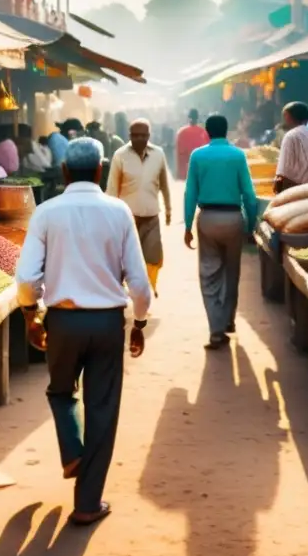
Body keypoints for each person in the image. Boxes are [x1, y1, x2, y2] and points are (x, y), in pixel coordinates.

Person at [15, 138, 151, 526]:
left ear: (62, 172)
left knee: (60, 392)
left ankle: (72, 447)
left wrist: (30, 314)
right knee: (103, 409)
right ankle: (88, 503)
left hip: (63, 321)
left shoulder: (46, 212)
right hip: (108, 324)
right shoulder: (118, 211)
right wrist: (139, 323)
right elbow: (139, 283)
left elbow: (26, 278)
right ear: (100, 170)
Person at [184, 113, 258, 350]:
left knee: (209, 274)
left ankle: (216, 330)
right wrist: (251, 223)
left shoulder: (198, 155)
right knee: (231, 272)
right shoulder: (238, 155)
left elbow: (190, 193)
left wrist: (187, 225)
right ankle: (228, 320)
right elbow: (249, 193)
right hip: (233, 218)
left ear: (206, 132)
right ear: (227, 131)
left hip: (207, 218)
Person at [107, 118, 172, 297]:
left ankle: (149, 288)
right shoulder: (120, 155)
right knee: (125, 259)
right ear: (130, 136)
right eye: (135, 135)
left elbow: (165, 184)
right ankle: (125, 291)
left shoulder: (158, 154)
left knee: (153, 256)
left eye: (143, 135)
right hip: (127, 218)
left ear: (149, 136)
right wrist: (110, 216)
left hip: (151, 214)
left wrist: (168, 210)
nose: (139, 139)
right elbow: (112, 188)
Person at [274, 102, 308, 194]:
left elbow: (282, 174)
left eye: (284, 116)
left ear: (288, 116)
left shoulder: (290, 136)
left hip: (293, 192)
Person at [176, 108, 210, 181]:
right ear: (198, 118)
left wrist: (181, 174)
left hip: (188, 169)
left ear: (188, 117)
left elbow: (180, 154)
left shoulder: (181, 132)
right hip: (201, 169)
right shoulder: (204, 132)